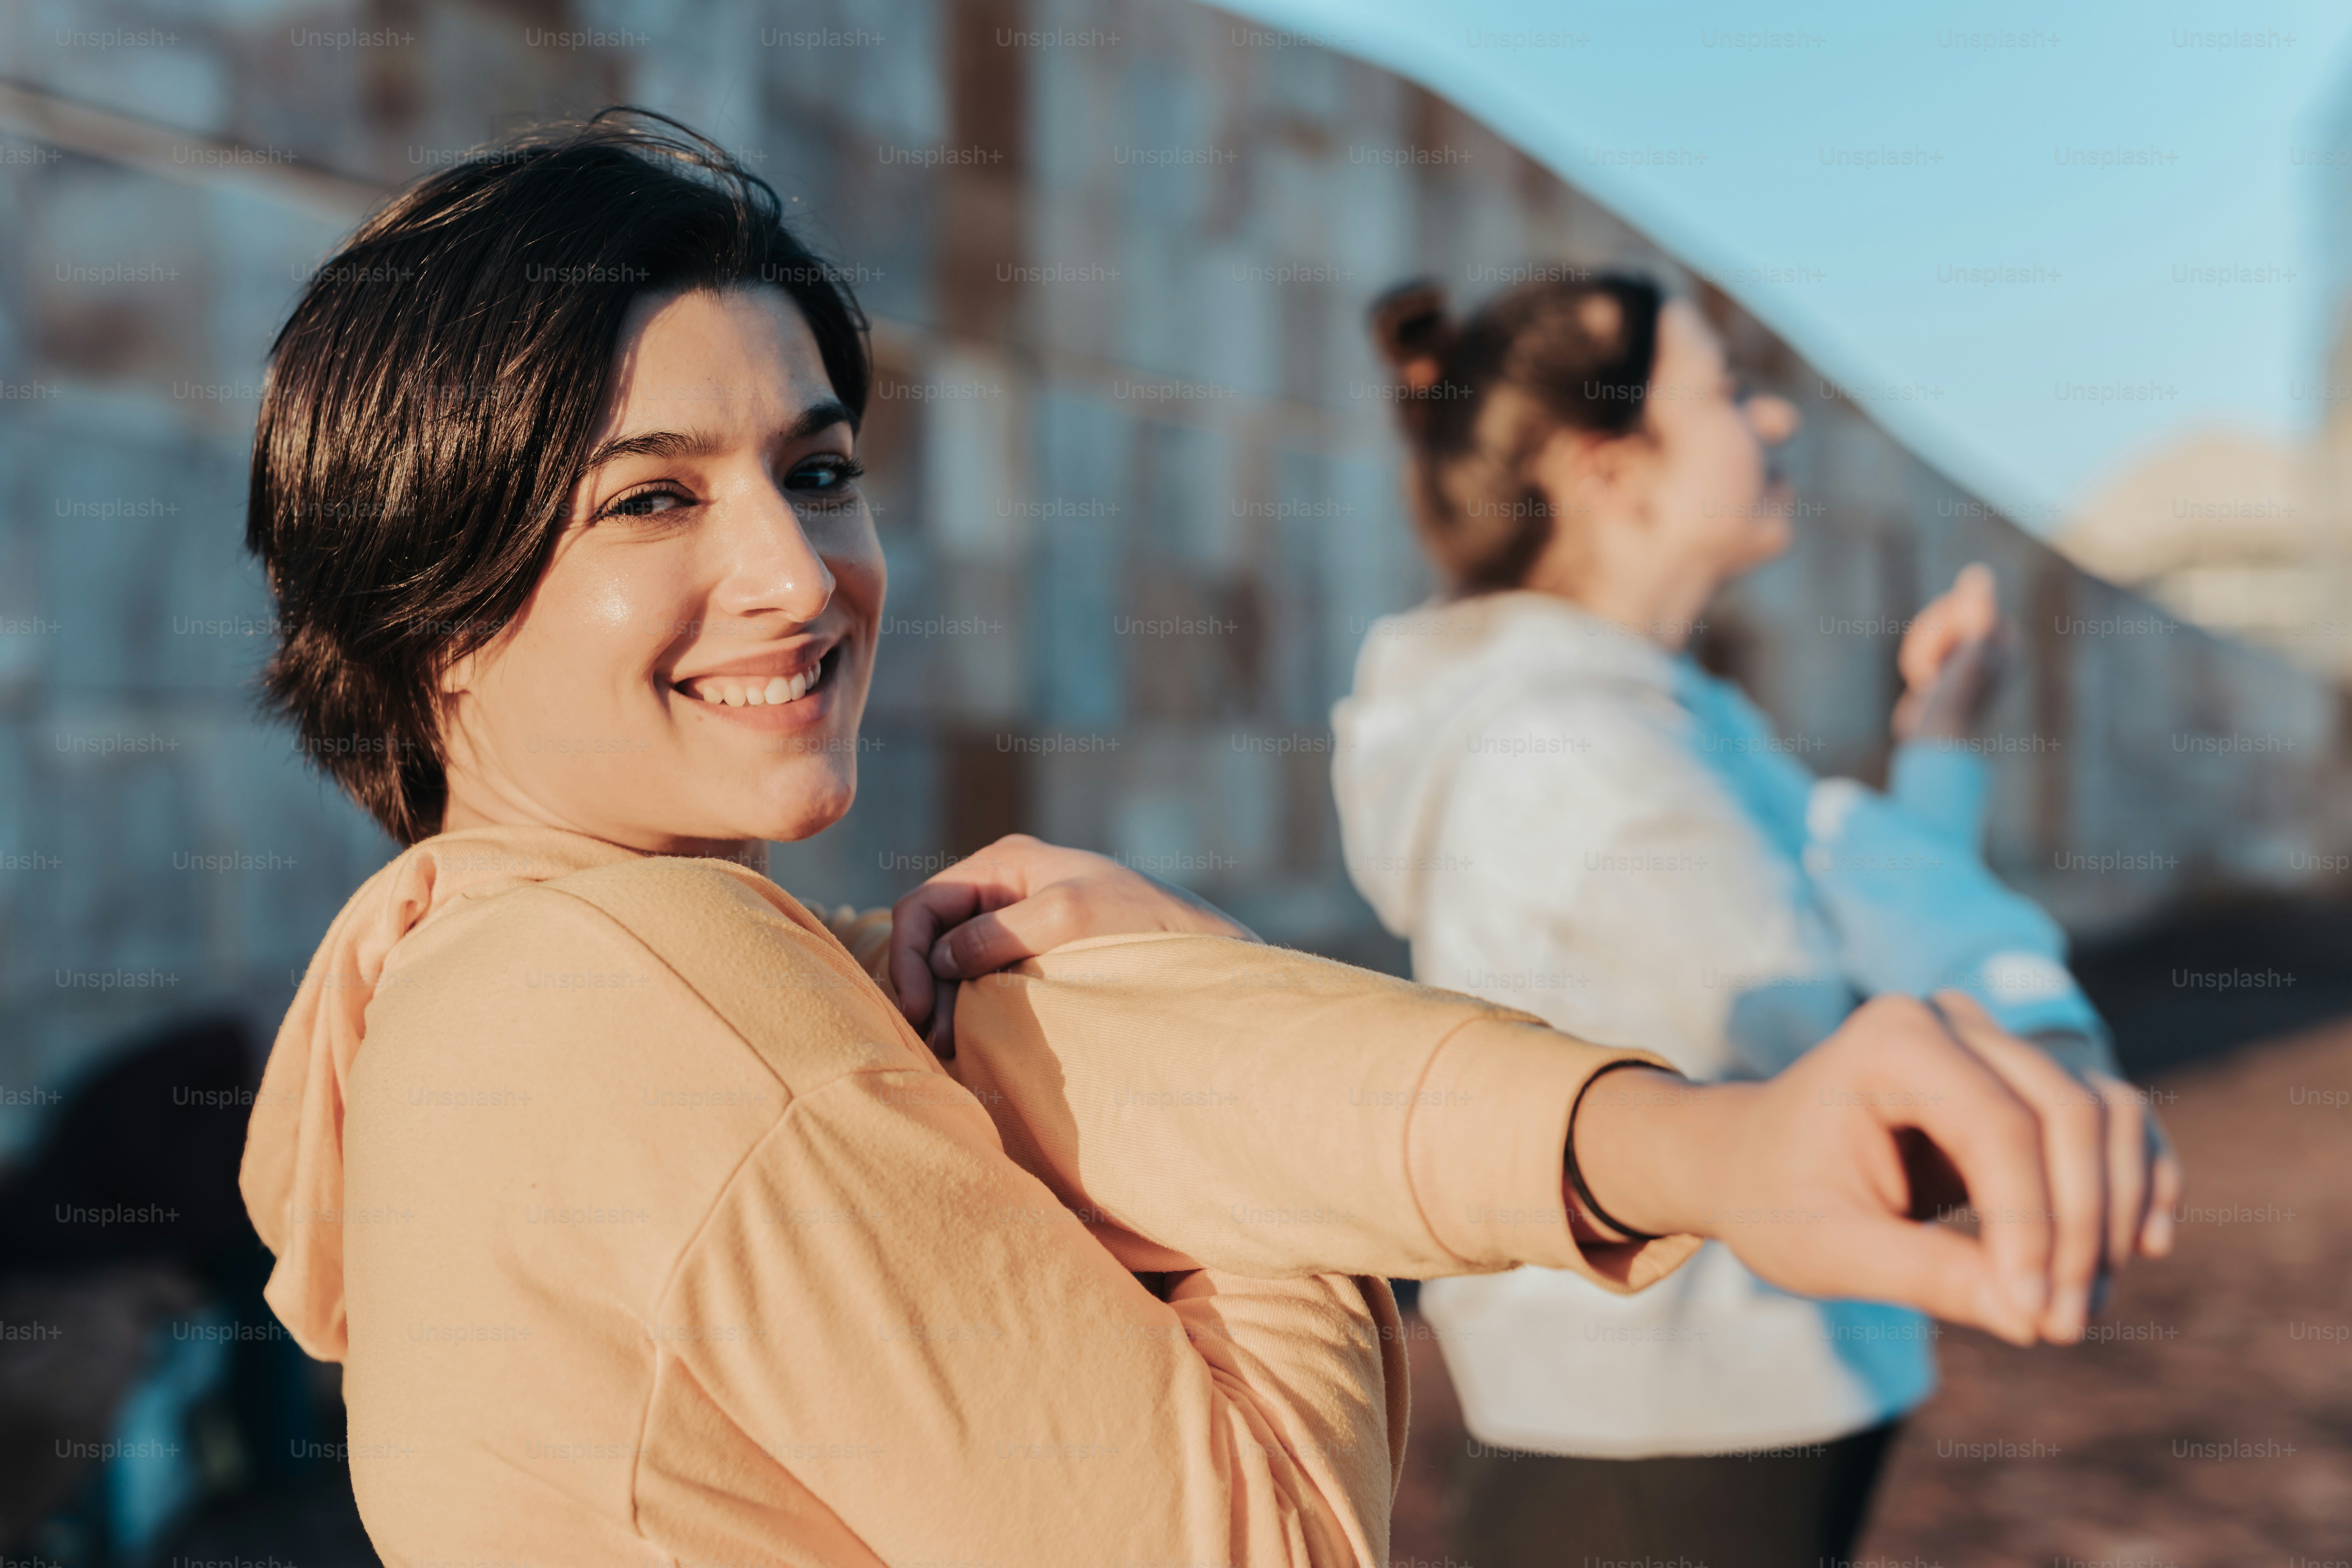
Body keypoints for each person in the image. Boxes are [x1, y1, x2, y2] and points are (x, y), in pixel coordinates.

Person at [236, 114, 2167, 1567]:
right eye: (648, 499)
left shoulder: (458, 958)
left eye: (817, 471)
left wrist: (1705, 1148)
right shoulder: (659, 998)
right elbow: (1261, 1536)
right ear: (432, 597)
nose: (796, 571)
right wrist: (1211, 1020)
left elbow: (1113, 1088)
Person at [1336, 273, 2184, 1565]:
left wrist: (1939, 742)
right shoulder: (1580, 749)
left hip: (1713, 1406)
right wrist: (2032, 1043)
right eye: (1727, 391)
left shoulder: (1659, 716)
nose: (1775, 421)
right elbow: (1846, 1048)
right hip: (1669, 1440)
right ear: (1606, 466)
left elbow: (1850, 925)